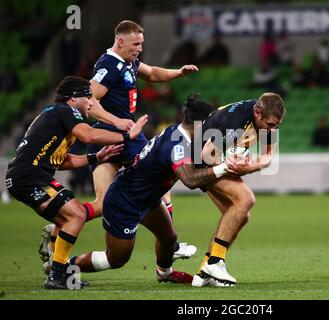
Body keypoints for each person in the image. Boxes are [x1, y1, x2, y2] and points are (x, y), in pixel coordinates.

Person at [39, 20, 198, 268]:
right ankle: (172, 245)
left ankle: (58, 229)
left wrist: (178, 73)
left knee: (103, 203)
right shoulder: (109, 65)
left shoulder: (129, 61)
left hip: (118, 137)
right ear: (120, 41)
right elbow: (89, 100)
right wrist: (119, 122)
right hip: (119, 136)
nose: (139, 49)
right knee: (162, 166)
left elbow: (153, 73)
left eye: (141, 44)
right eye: (136, 44)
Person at [71, 96, 249, 284]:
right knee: (115, 259)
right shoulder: (178, 143)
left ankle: (164, 273)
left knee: (169, 238)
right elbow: (190, 180)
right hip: (125, 202)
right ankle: (64, 265)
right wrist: (225, 167)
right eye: (211, 123)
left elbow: (200, 165)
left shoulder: (181, 136)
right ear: (201, 124)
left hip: (148, 198)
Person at [5, 76, 148, 289]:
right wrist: (128, 136)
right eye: (88, 97)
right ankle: (57, 275)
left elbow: (62, 161)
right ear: (73, 99)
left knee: (67, 220)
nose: (92, 102)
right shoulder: (66, 111)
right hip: (30, 177)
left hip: (29, 177)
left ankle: (58, 271)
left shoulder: (56, 116)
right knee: (78, 214)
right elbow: (89, 135)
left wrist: (96, 157)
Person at [191, 92, 286, 287]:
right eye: (270, 125)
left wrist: (250, 167)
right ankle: (216, 262)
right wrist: (229, 165)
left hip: (216, 160)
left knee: (240, 214)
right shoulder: (235, 122)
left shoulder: (266, 118)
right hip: (202, 165)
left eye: (277, 126)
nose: (273, 130)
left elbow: (268, 157)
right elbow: (206, 154)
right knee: (246, 199)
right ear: (257, 113)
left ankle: (204, 272)